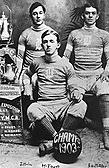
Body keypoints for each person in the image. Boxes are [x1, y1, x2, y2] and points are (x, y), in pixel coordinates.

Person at [22, 30, 87, 156]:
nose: (48, 45)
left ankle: (54, 142)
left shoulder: (66, 64)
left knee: (81, 105)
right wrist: (27, 86)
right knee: (32, 109)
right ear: (42, 45)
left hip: (62, 105)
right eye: (45, 42)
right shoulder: (36, 62)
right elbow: (26, 74)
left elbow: (73, 85)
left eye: (51, 41)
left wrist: (75, 92)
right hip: (44, 106)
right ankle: (58, 138)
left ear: (58, 45)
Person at [63, 2, 109, 150]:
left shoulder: (104, 35)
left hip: (97, 75)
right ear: (83, 15)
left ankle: (106, 131)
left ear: (97, 16)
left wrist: (106, 71)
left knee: (105, 91)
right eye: (87, 13)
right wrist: (67, 76)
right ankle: (73, 127)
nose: (90, 15)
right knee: (75, 98)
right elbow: (65, 58)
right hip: (78, 76)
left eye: (92, 13)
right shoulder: (74, 34)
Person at [15, 2, 54, 84]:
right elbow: (20, 57)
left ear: (44, 15)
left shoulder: (51, 33)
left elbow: (54, 55)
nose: (38, 16)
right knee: (21, 84)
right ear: (30, 16)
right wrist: (18, 74)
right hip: (27, 70)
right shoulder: (25, 34)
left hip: (44, 68)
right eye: (35, 14)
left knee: (35, 81)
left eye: (40, 13)